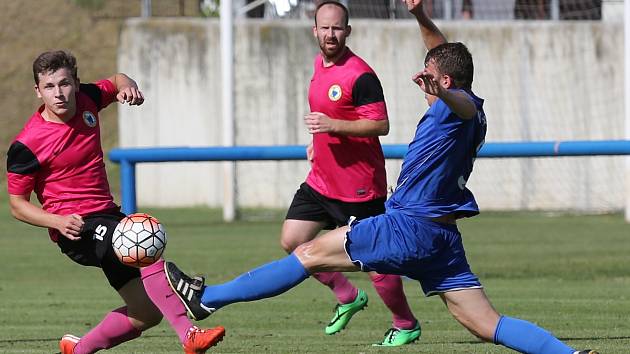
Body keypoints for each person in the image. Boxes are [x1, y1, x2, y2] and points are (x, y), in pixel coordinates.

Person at [164, 1, 598, 353]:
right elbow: (445, 58)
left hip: (409, 226)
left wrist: (443, 91)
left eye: (432, 77)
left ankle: (206, 298)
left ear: (445, 81)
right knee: (486, 324)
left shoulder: (456, 105)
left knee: (310, 252)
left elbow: (457, 97)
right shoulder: (465, 100)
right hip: (442, 239)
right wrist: (420, 16)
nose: (426, 81)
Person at [6, 50, 224, 354]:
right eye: (50, 87)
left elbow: (117, 79)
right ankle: (189, 334)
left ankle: (78, 350)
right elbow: (17, 204)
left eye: (64, 84)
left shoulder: (88, 100)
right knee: (139, 236)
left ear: (77, 84)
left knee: (145, 314)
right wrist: (56, 221)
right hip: (76, 229)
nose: (58, 93)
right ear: (38, 91)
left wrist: (127, 87)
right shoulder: (26, 145)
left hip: (107, 216)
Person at [274, 0, 420, 346]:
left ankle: (405, 323)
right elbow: (324, 117)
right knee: (292, 241)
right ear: (314, 31)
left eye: (337, 28)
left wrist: (333, 127)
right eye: (324, 28)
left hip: (359, 187)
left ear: (348, 31)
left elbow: (380, 125)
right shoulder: (317, 64)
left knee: (376, 262)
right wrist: (317, 144)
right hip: (321, 180)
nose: (330, 34)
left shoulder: (361, 74)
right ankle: (347, 296)